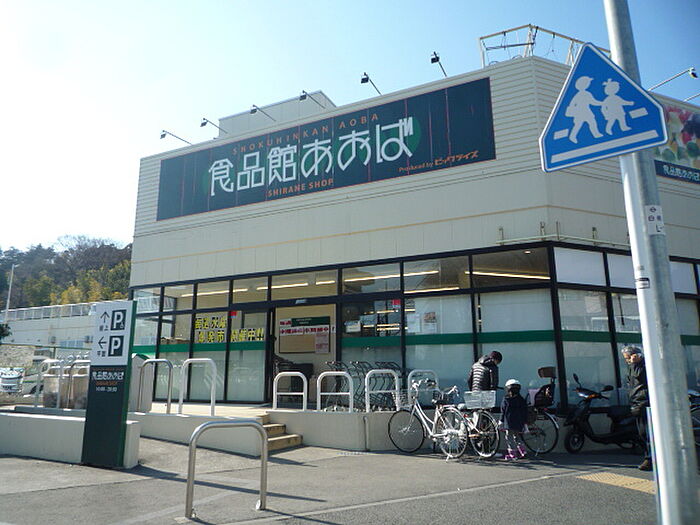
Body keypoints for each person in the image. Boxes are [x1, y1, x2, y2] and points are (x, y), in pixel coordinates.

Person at [621, 345, 652, 471]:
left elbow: (640, 377)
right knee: (642, 433)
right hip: (637, 402)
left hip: (644, 402)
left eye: (628, 358)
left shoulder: (643, 366)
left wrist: (635, 363)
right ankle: (649, 456)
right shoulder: (632, 367)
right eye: (626, 359)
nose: (627, 361)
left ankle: (650, 459)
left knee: (647, 432)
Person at [501, 379, 528, 460]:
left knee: (509, 437)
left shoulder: (506, 399)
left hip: (509, 423)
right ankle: (523, 451)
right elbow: (525, 411)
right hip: (519, 422)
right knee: (517, 437)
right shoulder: (521, 399)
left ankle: (512, 454)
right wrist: (525, 422)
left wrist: (501, 421)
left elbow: (503, 411)